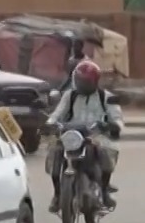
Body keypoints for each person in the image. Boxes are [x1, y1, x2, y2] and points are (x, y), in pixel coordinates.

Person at [44, 59, 122, 213]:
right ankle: (57, 194)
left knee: (107, 150)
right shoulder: (69, 96)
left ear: (95, 81)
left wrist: (112, 125)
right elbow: (58, 113)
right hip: (71, 133)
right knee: (54, 150)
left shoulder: (105, 97)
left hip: (96, 134)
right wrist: (50, 124)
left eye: (86, 82)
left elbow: (116, 117)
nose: (82, 84)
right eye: (80, 81)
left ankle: (104, 190)